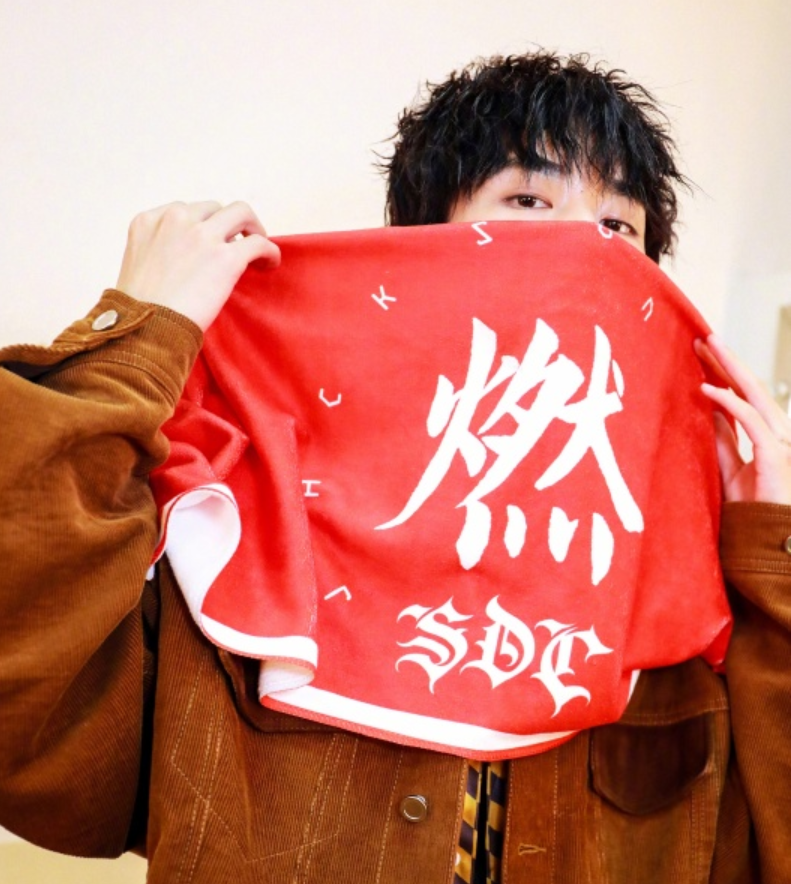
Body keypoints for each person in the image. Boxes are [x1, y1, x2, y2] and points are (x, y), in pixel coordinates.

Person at [0, 51, 789, 884]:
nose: (578, 246)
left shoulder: (670, 573)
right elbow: (35, 736)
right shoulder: (247, 513)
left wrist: (768, 548)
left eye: (617, 228)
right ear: (420, 246)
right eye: (527, 200)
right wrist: (138, 340)